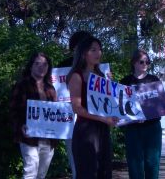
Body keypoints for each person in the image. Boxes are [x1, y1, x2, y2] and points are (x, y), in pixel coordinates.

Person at [66, 36, 118, 179]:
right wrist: (103, 118)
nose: (98, 53)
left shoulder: (101, 76)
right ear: (83, 53)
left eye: (100, 49)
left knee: (104, 172)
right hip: (85, 131)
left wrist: (110, 86)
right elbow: (77, 108)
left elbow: (109, 105)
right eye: (93, 50)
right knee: (88, 173)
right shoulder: (76, 76)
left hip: (102, 130)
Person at [10, 52, 58, 179]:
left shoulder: (51, 88)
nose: (41, 67)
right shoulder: (21, 86)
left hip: (48, 138)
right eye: (37, 64)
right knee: (30, 172)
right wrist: (21, 126)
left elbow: (56, 113)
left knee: (41, 174)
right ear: (31, 66)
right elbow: (13, 110)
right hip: (29, 137)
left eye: (45, 64)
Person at [120, 49, 162, 179]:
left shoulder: (154, 80)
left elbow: (159, 105)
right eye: (142, 61)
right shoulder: (125, 81)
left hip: (152, 127)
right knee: (134, 163)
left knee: (152, 162)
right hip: (133, 129)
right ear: (134, 63)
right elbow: (119, 105)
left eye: (148, 62)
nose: (145, 64)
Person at [58, 30, 92, 179]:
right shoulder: (63, 66)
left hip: (92, 116)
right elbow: (56, 91)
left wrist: (107, 79)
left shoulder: (96, 66)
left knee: (93, 154)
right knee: (74, 156)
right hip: (70, 115)